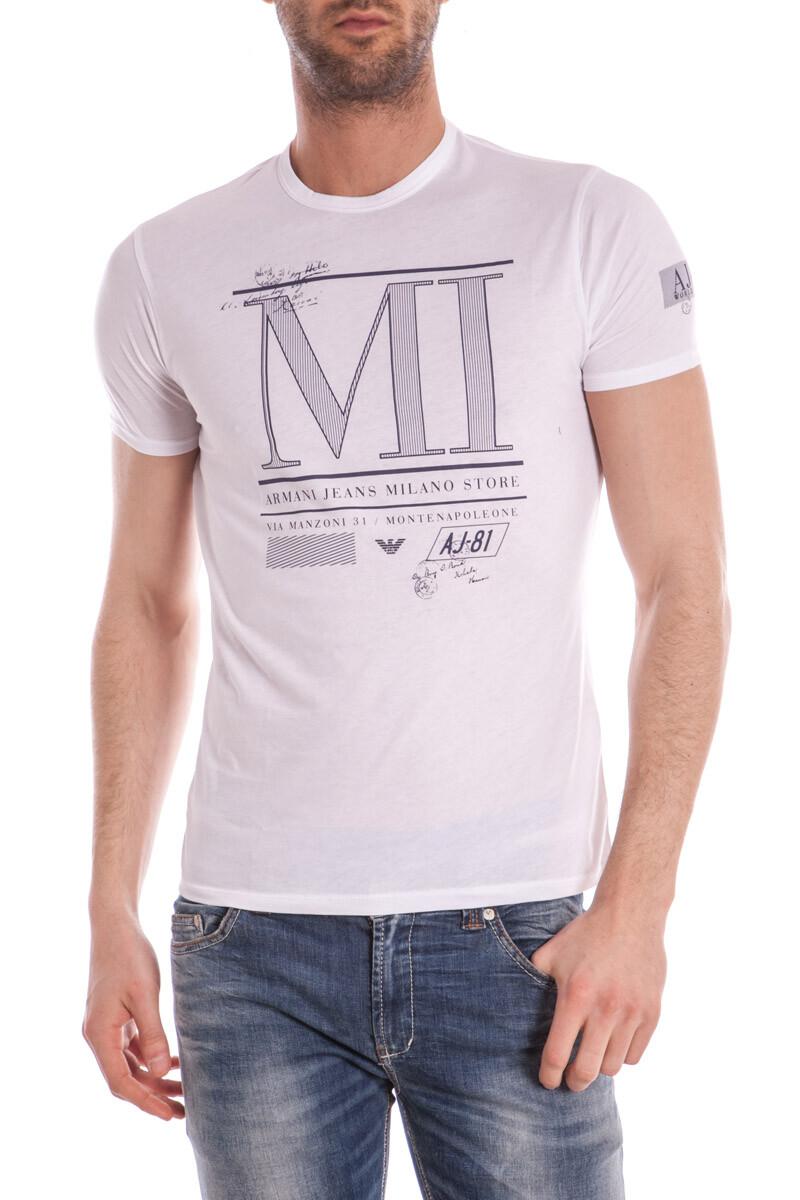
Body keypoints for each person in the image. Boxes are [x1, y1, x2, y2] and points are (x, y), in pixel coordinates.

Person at [82, 2, 731, 1197]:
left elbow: (682, 580)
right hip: (250, 941)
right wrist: (107, 908)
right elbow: (143, 603)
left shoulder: (586, 225)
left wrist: (638, 904)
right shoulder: (165, 265)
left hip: (521, 940)